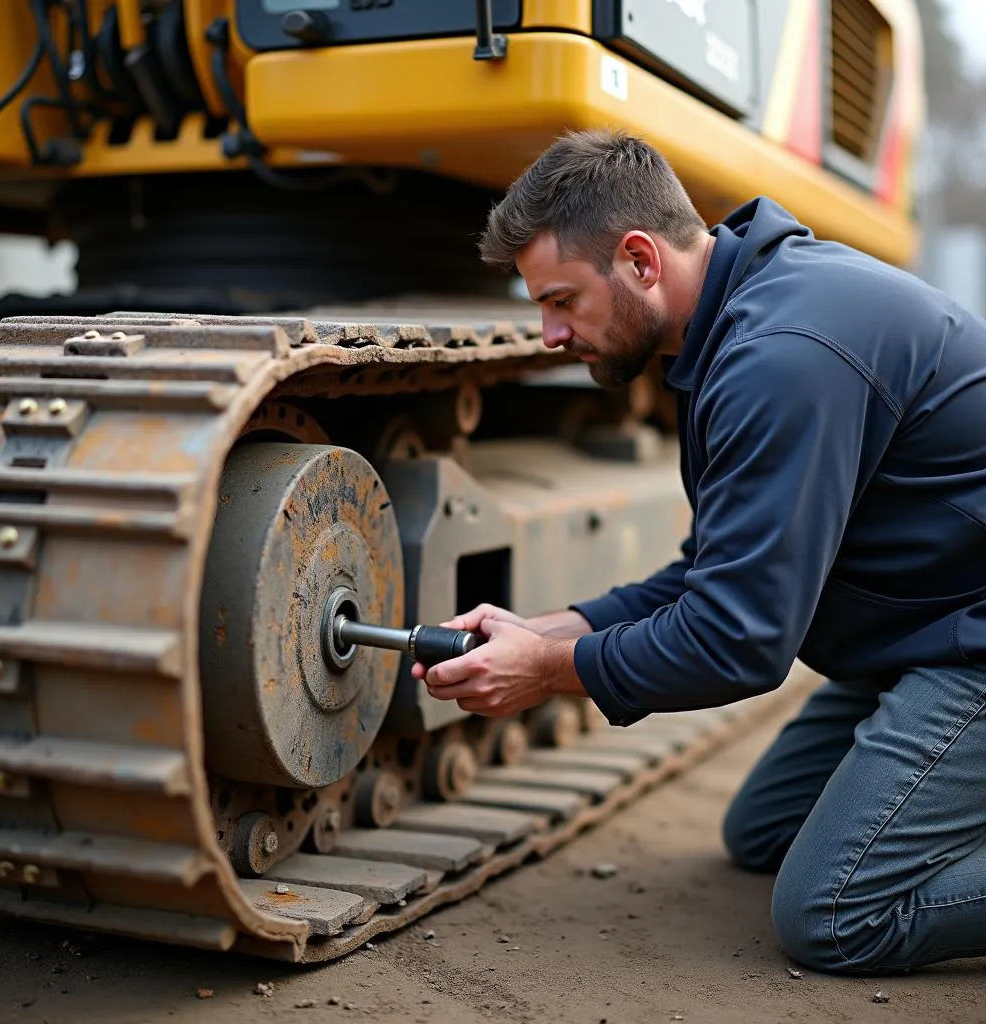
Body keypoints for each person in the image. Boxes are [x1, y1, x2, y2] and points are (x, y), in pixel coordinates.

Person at [410, 128, 986, 975]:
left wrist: (546, 671)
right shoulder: (739, 318)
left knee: (833, 912)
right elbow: (708, 573)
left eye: (563, 300)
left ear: (641, 261)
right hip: (926, 619)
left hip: (967, 638)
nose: (549, 335)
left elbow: (738, 639)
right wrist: (547, 628)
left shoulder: (780, 358)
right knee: (763, 832)